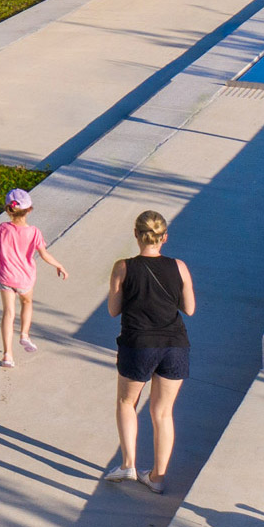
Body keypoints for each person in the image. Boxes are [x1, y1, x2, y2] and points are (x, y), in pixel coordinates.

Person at [106, 209, 195, 494]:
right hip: (174, 345)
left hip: (138, 344)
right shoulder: (179, 267)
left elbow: (113, 310)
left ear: (136, 235)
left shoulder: (123, 267)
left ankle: (129, 464)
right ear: (164, 237)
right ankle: (157, 478)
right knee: (163, 412)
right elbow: (190, 309)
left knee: (126, 402)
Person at [0, 187, 68, 368]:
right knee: (27, 303)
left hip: (5, 276)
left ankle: (7, 355)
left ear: (8, 209)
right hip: (24, 278)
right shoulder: (34, 232)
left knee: (8, 313)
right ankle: (24, 334)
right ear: (30, 209)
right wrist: (59, 265)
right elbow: (44, 254)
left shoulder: (2, 228)